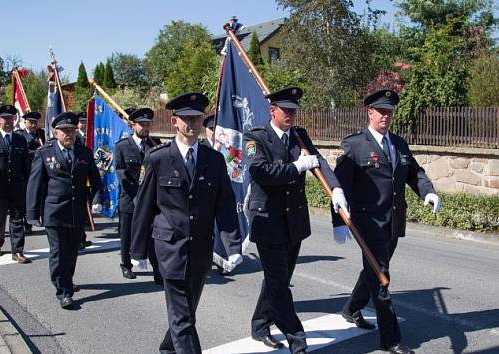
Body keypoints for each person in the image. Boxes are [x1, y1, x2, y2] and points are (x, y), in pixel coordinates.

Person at [131, 92, 243, 354]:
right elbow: (144, 207)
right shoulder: (157, 159)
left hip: (201, 249)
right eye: (186, 119)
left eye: (196, 118)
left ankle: (169, 348)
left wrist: (233, 245)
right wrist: (138, 251)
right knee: (183, 315)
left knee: (187, 310)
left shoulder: (213, 160)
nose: (191, 124)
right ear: (174, 122)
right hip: (170, 250)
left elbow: (224, 205)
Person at [331, 89, 441, 354]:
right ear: (370, 113)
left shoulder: (399, 144)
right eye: (381, 111)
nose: (385, 116)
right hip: (367, 224)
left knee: (374, 268)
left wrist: (428, 191)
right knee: (381, 278)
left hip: (393, 223)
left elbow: (415, 173)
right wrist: (338, 222)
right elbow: (338, 185)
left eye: (389, 112)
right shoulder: (354, 145)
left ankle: (351, 308)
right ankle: (391, 339)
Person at [243, 86, 346, 354]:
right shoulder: (255, 138)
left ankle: (260, 324)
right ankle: (297, 339)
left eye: (293, 110)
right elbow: (260, 171)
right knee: (279, 282)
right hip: (267, 219)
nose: (290, 114)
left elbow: (318, 161)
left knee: (278, 278)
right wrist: (296, 167)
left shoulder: (299, 137)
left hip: (294, 221)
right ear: (272, 111)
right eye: (285, 110)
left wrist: (335, 187)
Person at [26, 112, 101, 308]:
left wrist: (96, 199)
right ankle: (63, 291)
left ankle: (67, 279)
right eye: (65, 131)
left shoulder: (84, 152)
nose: (69, 134)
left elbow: (95, 179)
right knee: (58, 252)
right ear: (55, 132)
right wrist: (33, 214)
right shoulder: (44, 152)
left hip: (77, 210)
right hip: (54, 211)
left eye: (72, 130)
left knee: (72, 251)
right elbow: (35, 185)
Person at [114, 108, 162, 280]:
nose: (145, 127)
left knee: (154, 236)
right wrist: (137, 198)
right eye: (142, 124)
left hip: (152, 201)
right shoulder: (122, 146)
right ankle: (126, 264)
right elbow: (122, 175)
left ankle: (158, 270)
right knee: (127, 235)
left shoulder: (155, 144)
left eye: (148, 124)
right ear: (133, 125)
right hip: (130, 200)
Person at [0, 105, 31, 263]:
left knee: (17, 219)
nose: (9, 121)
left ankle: (18, 250)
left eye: (11, 118)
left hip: (16, 187)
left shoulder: (20, 139)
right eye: (5, 118)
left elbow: (25, 165)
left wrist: (29, 185)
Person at [20, 112, 46, 234]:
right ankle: (27, 222)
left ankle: (39, 216)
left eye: (35, 122)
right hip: (26, 170)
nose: (33, 125)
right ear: (25, 122)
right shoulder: (20, 135)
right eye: (31, 122)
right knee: (27, 196)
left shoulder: (41, 134)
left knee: (40, 195)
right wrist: (37, 152)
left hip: (40, 170)